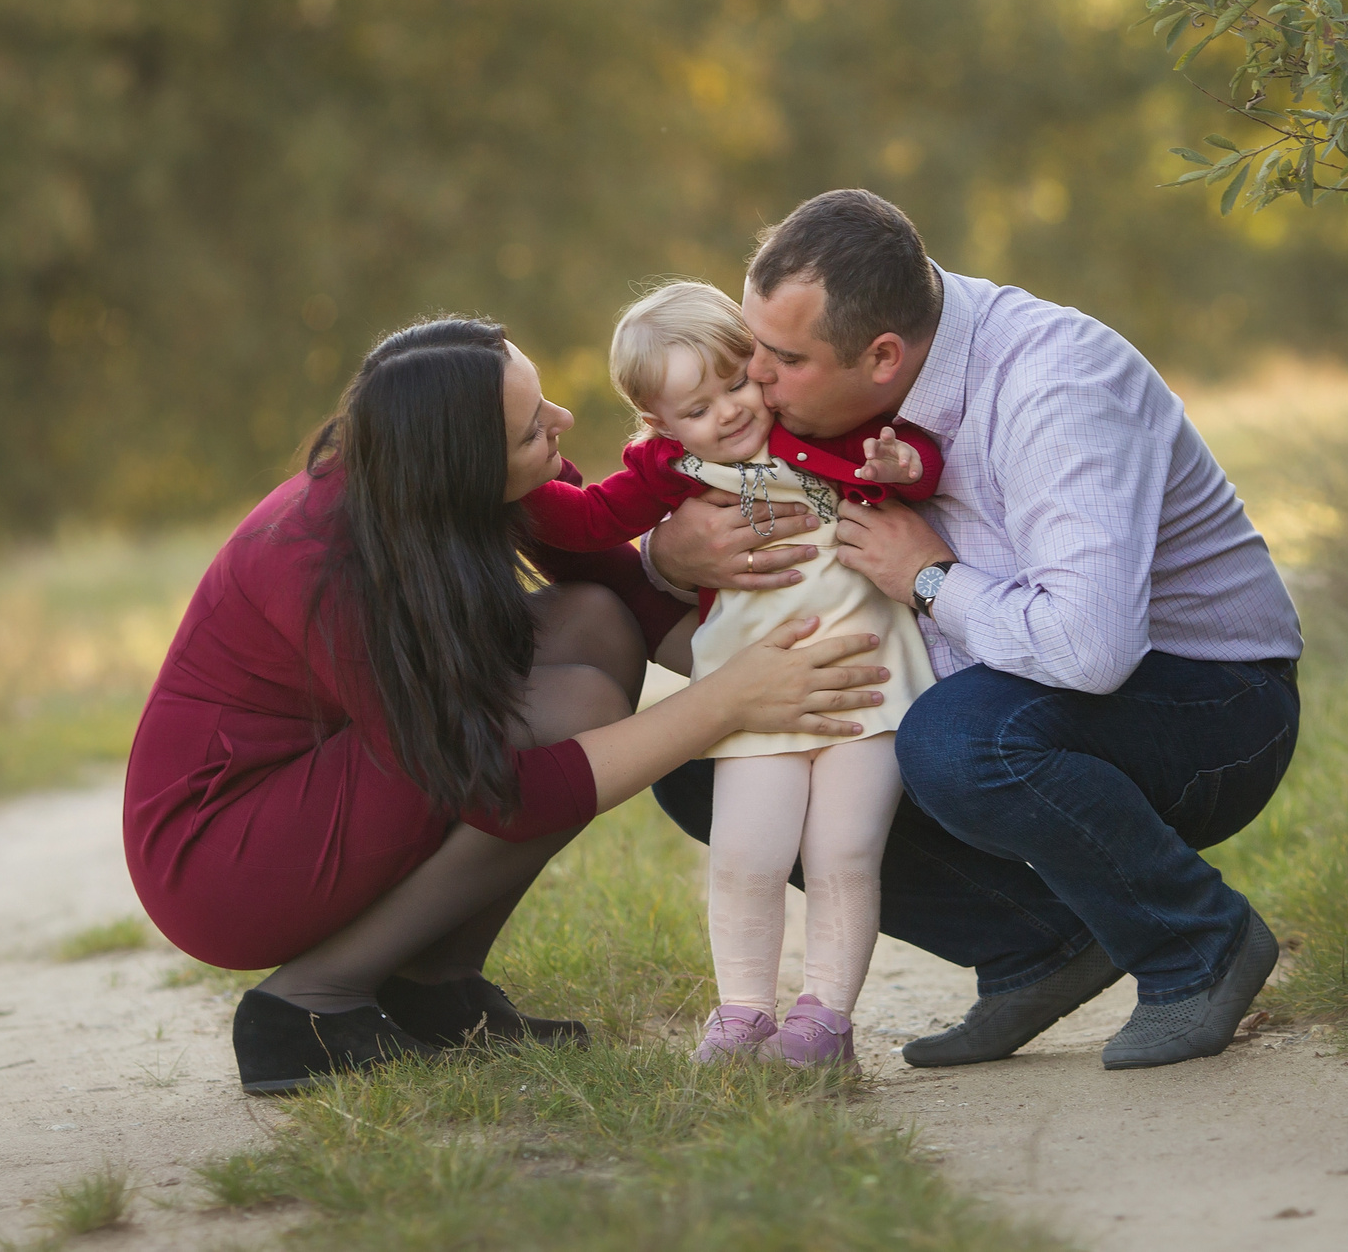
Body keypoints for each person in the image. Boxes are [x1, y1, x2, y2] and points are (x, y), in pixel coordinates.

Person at [122, 317, 892, 1094]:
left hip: (325, 775)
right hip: (222, 853)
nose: (560, 421)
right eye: (532, 429)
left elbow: (622, 591)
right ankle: (306, 1006)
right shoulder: (321, 562)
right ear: (462, 462)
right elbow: (498, 790)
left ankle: (436, 984)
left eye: (542, 402)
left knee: (593, 621)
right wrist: (728, 699)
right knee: (575, 704)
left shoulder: (442, 475)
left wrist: (810, 659)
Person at [645, 190, 1304, 1071]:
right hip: (1005, 680)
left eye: (782, 358)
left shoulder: (1054, 386)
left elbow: (1090, 651)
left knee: (956, 739)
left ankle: (1197, 943)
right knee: (703, 754)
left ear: (883, 357)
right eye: (752, 347)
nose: (754, 379)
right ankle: (1036, 946)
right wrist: (668, 552)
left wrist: (926, 577)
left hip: (1205, 704)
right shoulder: (837, 399)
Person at [521, 281, 938, 1069]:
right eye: (698, 407)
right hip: (751, 690)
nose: (729, 412)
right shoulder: (669, 470)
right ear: (660, 424)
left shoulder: (822, 425)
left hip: (867, 678)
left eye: (736, 381)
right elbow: (587, 519)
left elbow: (913, 467)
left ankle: (824, 1021)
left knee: (844, 851)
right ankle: (743, 1011)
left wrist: (905, 462)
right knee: (747, 852)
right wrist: (497, 486)